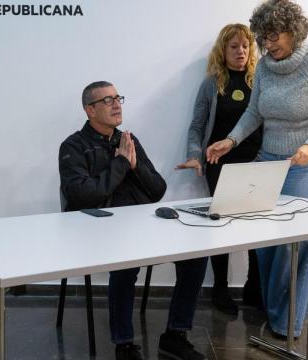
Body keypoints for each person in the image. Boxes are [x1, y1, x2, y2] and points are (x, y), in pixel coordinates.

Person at [206, 0, 308, 338]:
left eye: (274, 37)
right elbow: (254, 112)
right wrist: (231, 140)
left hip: (306, 165)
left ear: (293, 32)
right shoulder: (267, 67)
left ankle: (288, 323)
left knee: (293, 245)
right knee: (266, 241)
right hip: (269, 160)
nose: (267, 45)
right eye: (263, 38)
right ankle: (282, 309)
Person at [59, 81, 209, 360]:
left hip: (139, 224)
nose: (116, 104)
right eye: (107, 101)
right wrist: (120, 164)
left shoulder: (128, 140)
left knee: (197, 254)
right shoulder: (73, 146)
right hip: (96, 230)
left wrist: (134, 162)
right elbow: (82, 196)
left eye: (118, 98)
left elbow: (158, 190)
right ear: (89, 110)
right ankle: (124, 344)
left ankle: (175, 334)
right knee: (125, 264)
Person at [176, 23, 263, 315]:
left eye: (245, 46)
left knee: (257, 224)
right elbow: (197, 125)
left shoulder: (260, 80)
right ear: (222, 51)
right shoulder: (212, 82)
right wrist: (193, 155)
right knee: (222, 225)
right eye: (234, 46)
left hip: (256, 162)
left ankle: (254, 287)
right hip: (219, 163)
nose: (241, 52)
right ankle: (220, 289)